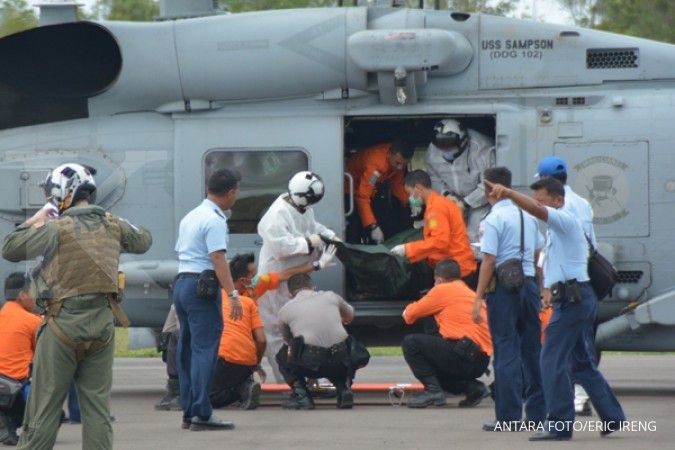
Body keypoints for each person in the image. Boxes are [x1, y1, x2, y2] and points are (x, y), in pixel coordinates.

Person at [2, 163, 152, 449]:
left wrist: (36, 218)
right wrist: (113, 220)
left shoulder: (56, 228)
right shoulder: (112, 224)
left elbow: (10, 248)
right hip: (102, 329)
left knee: (44, 409)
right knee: (96, 411)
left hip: (62, 327)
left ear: (62, 193)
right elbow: (143, 239)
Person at [484, 177, 625, 441]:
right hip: (572, 298)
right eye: (536, 200)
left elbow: (538, 212)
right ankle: (613, 416)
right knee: (581, 363)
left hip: (574, 301)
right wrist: (547, 290)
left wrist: (511, 194)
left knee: (550, 360)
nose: (537, 206)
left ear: (558, 200)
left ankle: (559, 424)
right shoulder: (556, 229)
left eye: (542, 201)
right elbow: (553, 262)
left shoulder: (564, 218)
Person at [472, 167, 546, 431]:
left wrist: (477, 298)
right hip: (528, 286)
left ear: (489, 189)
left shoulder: (492, 220)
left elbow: (489, 260)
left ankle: (508, 417)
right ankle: (538, 415)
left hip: (504, 289)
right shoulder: (528, 215)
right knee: (532, 351)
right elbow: (539, 255)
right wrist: (541, 287)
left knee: (506, 351)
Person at [173, 168, 243, 431]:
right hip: (201, 288)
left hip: (182, 283)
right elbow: (217, 259)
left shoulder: (191, 216)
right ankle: (202, 413)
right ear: (230, 192)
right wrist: (232, 294)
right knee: (205, 350)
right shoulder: (215, 220)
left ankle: (189, 410)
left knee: (187, 349)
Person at [257, 171, 339, 381]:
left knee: (301, 326)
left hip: (295, 277)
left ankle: (308, 376)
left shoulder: (302, 206)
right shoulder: (276, 216)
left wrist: (327, 235)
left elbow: (311, 227)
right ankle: (288, 381)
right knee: (277, 333)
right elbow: (282, 247)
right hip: (276, 283)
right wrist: (310, 244)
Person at [536, 155, 597, 415]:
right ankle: (608, 412)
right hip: (583, 279)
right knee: (581, 347)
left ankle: (567, 409)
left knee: (554, 354)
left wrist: (546, 284)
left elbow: (555, 249)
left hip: (569, 286)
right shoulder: (581, 202)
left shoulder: (560, 208)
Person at [401, 259, 491, 408]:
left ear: (439, 279)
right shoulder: (467, 291)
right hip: (480, 361)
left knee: (411, 343)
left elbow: (409, 315)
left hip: (463, 354)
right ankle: (473, 388)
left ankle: (433, 391)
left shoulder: (442, 289)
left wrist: (424, 300)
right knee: (434, 367)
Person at [276, 273, 367, 410]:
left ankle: (302, 396)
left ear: (290, 294)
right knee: (345, 345)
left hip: (310, 363)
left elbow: (289, 340)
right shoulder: (331, 296)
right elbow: (350, 315)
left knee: (282, 355)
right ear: (314, 287)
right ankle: (343, 388)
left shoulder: (285, 310)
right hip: (341, 361)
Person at [390, 169, 477, 288]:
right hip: (457, 267)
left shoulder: (436, 209)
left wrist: (408, 249)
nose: (410, 198)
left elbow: (440, 241)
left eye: (410, 193)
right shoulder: (437, 205)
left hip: (456, 270)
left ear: (418, 188)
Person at [210, 253, 267, 410]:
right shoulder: (249, 302)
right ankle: (243, 384)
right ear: (243, 281)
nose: (257, 281)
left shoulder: (214, 298)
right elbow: (262, 340)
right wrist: (256, 364)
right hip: (247, 362)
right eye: (254, 277)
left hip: (223, 357)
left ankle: (241, 390)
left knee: (203, 398)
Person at [424, 119, 495, 244]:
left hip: (480, 199)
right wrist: (447, 195)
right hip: (452, 199)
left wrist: (465, 203)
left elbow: (489, 184)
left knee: (475, 233)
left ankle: (476, 261)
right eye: (442, 148)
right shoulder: (432, 152)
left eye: (450, 148)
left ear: (463, 142)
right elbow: (434, 179)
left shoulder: (483, 149)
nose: (446, 151)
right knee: (448, 233)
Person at [345, 140, 415, 243]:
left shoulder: (396, 163)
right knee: (354, 226)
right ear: (390, 154)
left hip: (369, 187)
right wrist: (372, 226)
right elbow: (362, 197)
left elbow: (397, 186)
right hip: (348, 188)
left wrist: (411, 202)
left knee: (385, 215)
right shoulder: (376, 164)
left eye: (403, 165)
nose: (400, 167)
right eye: (398, 163)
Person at [0, 273, 41, 446]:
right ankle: (10, 424)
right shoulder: (32, 321)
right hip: (14, 390)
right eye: (32, 292)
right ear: (22, 295)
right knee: (52, 413)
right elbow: (44, 354)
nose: (34, 298)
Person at [154, 305, 181, 411]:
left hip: (196, 293)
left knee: (181, 335)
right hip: (179, 294)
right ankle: (175, 390)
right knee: (168, 336)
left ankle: (182, 393)